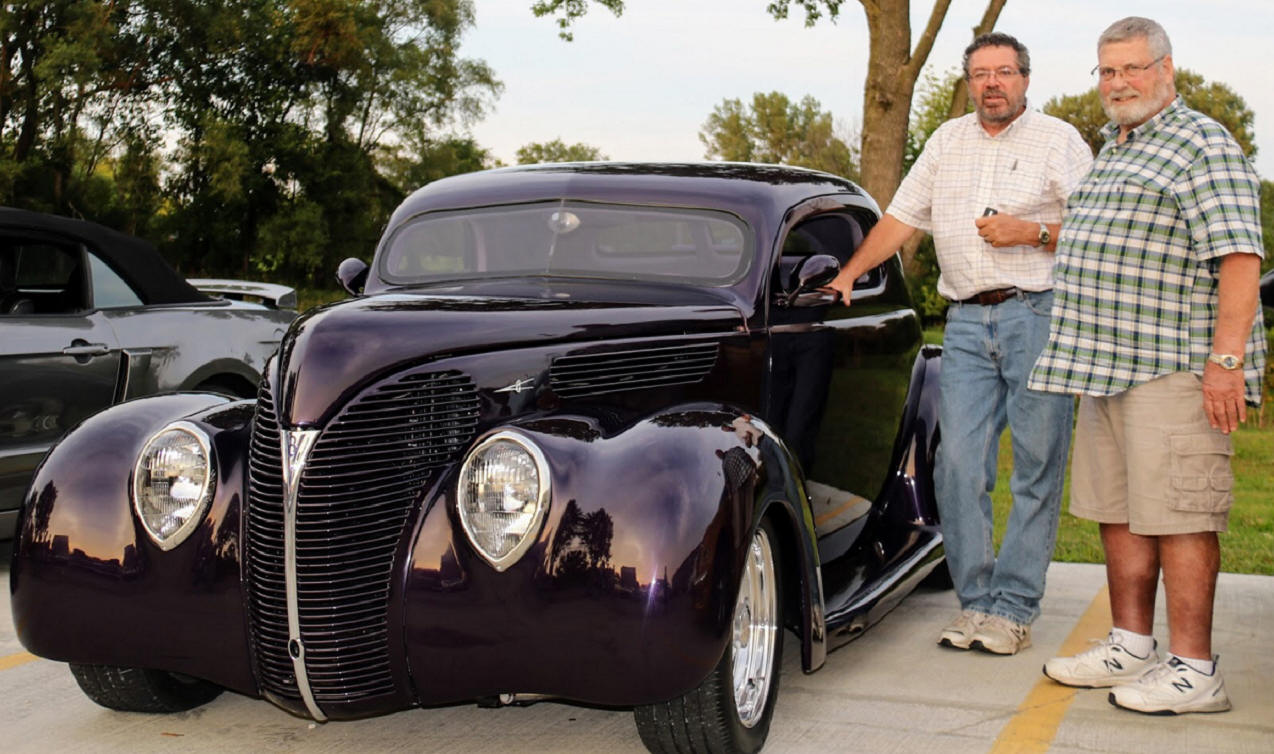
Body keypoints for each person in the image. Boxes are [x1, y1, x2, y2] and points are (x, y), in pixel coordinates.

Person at [828, 32, 1092, 655]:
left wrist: (1034, 231)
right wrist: (847, 273)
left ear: (1025, 79)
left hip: (1038, 315)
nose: (992, 83)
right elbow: (899, 219)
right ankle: (976, 603)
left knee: (1036, 466)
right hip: (966, 322)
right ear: (970, 82)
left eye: (1004, 72)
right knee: (955, 464)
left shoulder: (1060, 141)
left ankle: (1014, 608)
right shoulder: (947, 142)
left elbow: (1095, 229)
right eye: (981, 74)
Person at [1030, 16, 1265, 715]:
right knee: (1120, 512)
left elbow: (1240, 259)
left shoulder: (1201, 144)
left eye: (1133, 68)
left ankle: (1195, 668)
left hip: (1175, 368)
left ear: (1167, 68)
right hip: (1108, 366)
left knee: (1182, 514)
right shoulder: (1118, 146)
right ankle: (1132, 644)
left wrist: (1226, 362)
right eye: (1107, 71)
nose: (1119, 83)